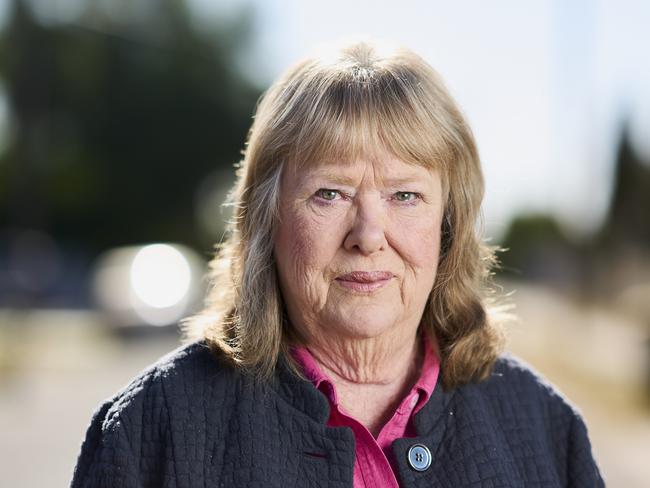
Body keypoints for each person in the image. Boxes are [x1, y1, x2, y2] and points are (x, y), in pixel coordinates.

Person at [71, 39, 604, 487]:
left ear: (448, 225)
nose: (369, 237)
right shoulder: (151, 427)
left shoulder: (545, 429)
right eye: (330, 193)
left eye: (404, 196)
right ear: (266, 220)